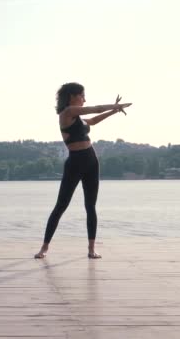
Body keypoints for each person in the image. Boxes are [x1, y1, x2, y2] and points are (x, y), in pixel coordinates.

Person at [34, 82, 132, 259]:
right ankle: (44, 248)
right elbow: (96, 109)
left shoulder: (77, 117)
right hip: (75, 163)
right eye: (82, 95)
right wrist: (114, 105)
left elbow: (93, 120)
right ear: (72, 96)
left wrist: (113, 111)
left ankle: (91, 249)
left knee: (90, 206)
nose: (84, 99)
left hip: (91, 162)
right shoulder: (67, 113)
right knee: (61, 206)